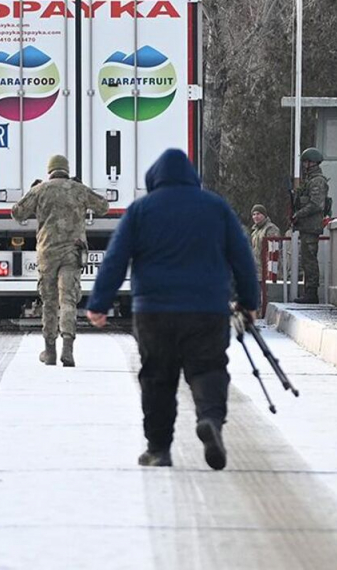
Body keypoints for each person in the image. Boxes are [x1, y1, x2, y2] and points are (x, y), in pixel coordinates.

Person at [86, 149, 259, 470]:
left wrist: (99, 303)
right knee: (208, 369)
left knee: (157, 377)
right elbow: (243, 258)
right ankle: (209, 420)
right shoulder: (216, 207)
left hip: (154, 311)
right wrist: (249, 302)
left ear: (155, 179)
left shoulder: (140, 210)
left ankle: (158, 449)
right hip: (207, 310)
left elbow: (115, 259)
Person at [12, 155, 109, 367]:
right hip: (72, 252)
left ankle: (49, 351)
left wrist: (32, 191)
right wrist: (81, 189)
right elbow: (104, 207)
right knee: (68, 300)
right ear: (66, 170)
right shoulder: (78, 189)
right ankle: (68, 348)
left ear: (50, 171)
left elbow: (17, 213)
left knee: (49, 302)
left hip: (47, 253)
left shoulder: (40, 190)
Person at [289, 147, 329, 304]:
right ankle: (308, 292)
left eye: (306, 162)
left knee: (310, 260)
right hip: (306, 226)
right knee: (306, 260)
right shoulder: (310, 180)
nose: (304, 165)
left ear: (312, 163)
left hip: (311, 226)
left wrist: (298, 214)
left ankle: (311, 293)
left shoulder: (317, 181)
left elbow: (316, 204)